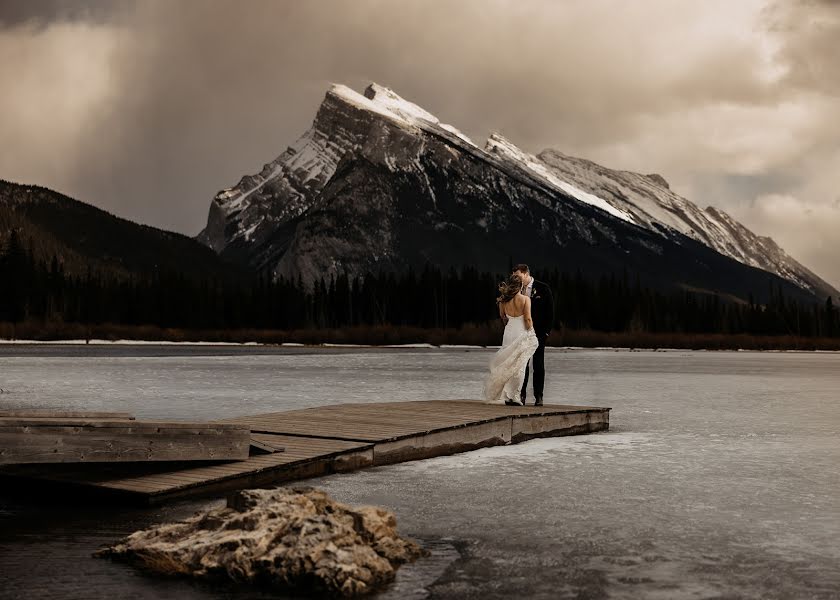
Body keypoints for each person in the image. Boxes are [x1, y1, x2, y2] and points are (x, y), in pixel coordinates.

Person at [483, 273, 539, 405]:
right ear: (520, 286)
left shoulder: (503, 300)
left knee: (507, 362)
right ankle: (514, 396)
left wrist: (509, 324)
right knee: (520, 364)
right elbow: (528, 319)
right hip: (521, 331)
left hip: (509, 332)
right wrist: (531, 332)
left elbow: (503, 317)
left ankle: (507, 396)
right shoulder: (525, 299)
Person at [512, 264, 554, 406]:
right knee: (522, 364)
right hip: (521, 333)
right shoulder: (516, 290)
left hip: (539, 334)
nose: (515, 279)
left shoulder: (543, 288)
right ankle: (521, 395)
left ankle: (539, 396)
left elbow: (550, 312)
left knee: (538, 364)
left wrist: (546, 332)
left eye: (517, 276)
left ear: (525, 274)